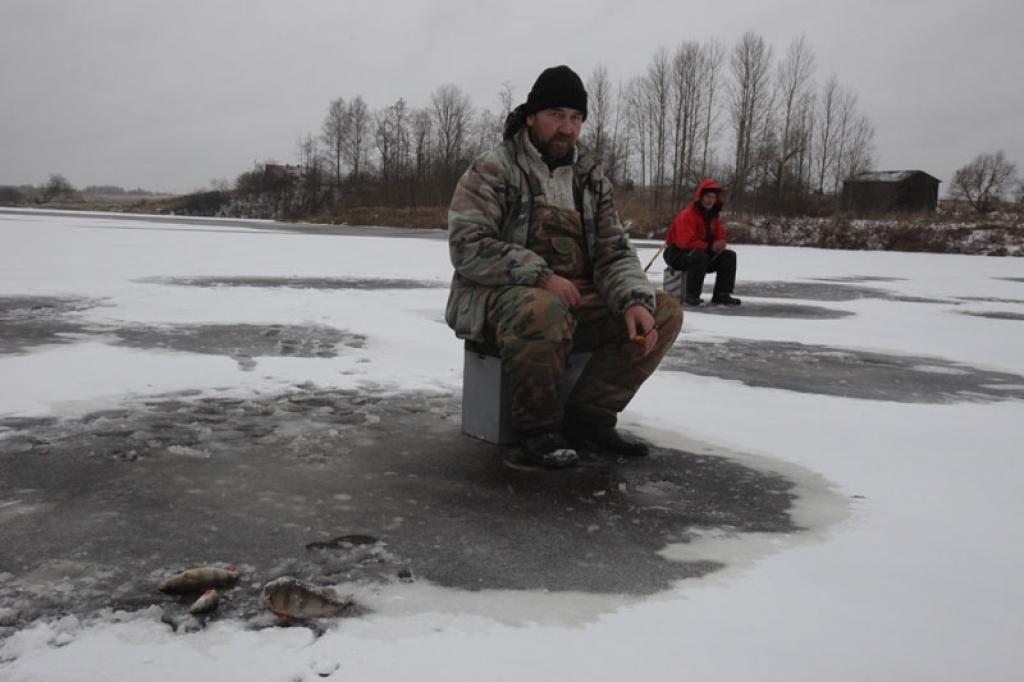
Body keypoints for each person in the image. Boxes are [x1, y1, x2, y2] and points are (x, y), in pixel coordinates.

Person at [445, 65, 683, 468]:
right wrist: (541, 276)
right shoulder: (493, 169)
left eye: (576, 118)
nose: (566, 127)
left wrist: (634, 299)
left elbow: (613, 250)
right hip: (494, 297)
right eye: (556, 114)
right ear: (532, 115)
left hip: (574, 297)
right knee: (543, 309)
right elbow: (468, 246)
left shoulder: (591, 179)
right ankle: (537, 430)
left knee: (662, 312)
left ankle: (590, 419)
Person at [663, 180, 741, 306]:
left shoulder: (713, 217)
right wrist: (710, 247)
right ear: (700, 197)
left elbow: (720, 234)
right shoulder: (687, 215)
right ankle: (692, 296)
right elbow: (685, 242)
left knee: (729, 256)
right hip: (676, 254)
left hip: (700, 254)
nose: (711, 200)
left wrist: (720, 244)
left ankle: (722, 294)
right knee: (700, 256)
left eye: (713, 197)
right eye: (708, 197)